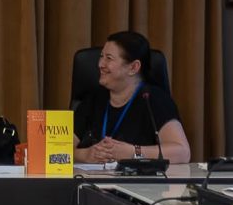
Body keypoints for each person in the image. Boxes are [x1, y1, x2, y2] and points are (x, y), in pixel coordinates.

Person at [73, 31, 191, 164]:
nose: (100, 64)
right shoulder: (93, 99)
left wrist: (133, 152)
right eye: (101, 56)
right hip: (92, 177)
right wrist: (85, 155)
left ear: (134, 67)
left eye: (109, 58)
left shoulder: (153, 99)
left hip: (138, 178)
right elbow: (59, 149)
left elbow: (182, 153)